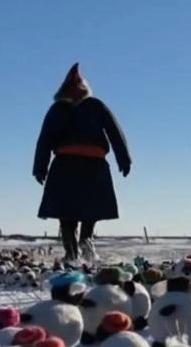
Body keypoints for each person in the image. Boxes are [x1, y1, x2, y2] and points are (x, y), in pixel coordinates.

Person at [32, 63, 131, 264]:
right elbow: (115, 132)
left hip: (69, 167)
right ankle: (80, 248)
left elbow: (45, 139)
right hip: (87, 166)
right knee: (84, 210)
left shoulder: (66, 108)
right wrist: (124, 159)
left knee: (71, 213)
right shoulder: (91, 106)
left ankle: (76, 251)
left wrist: (40, 167)